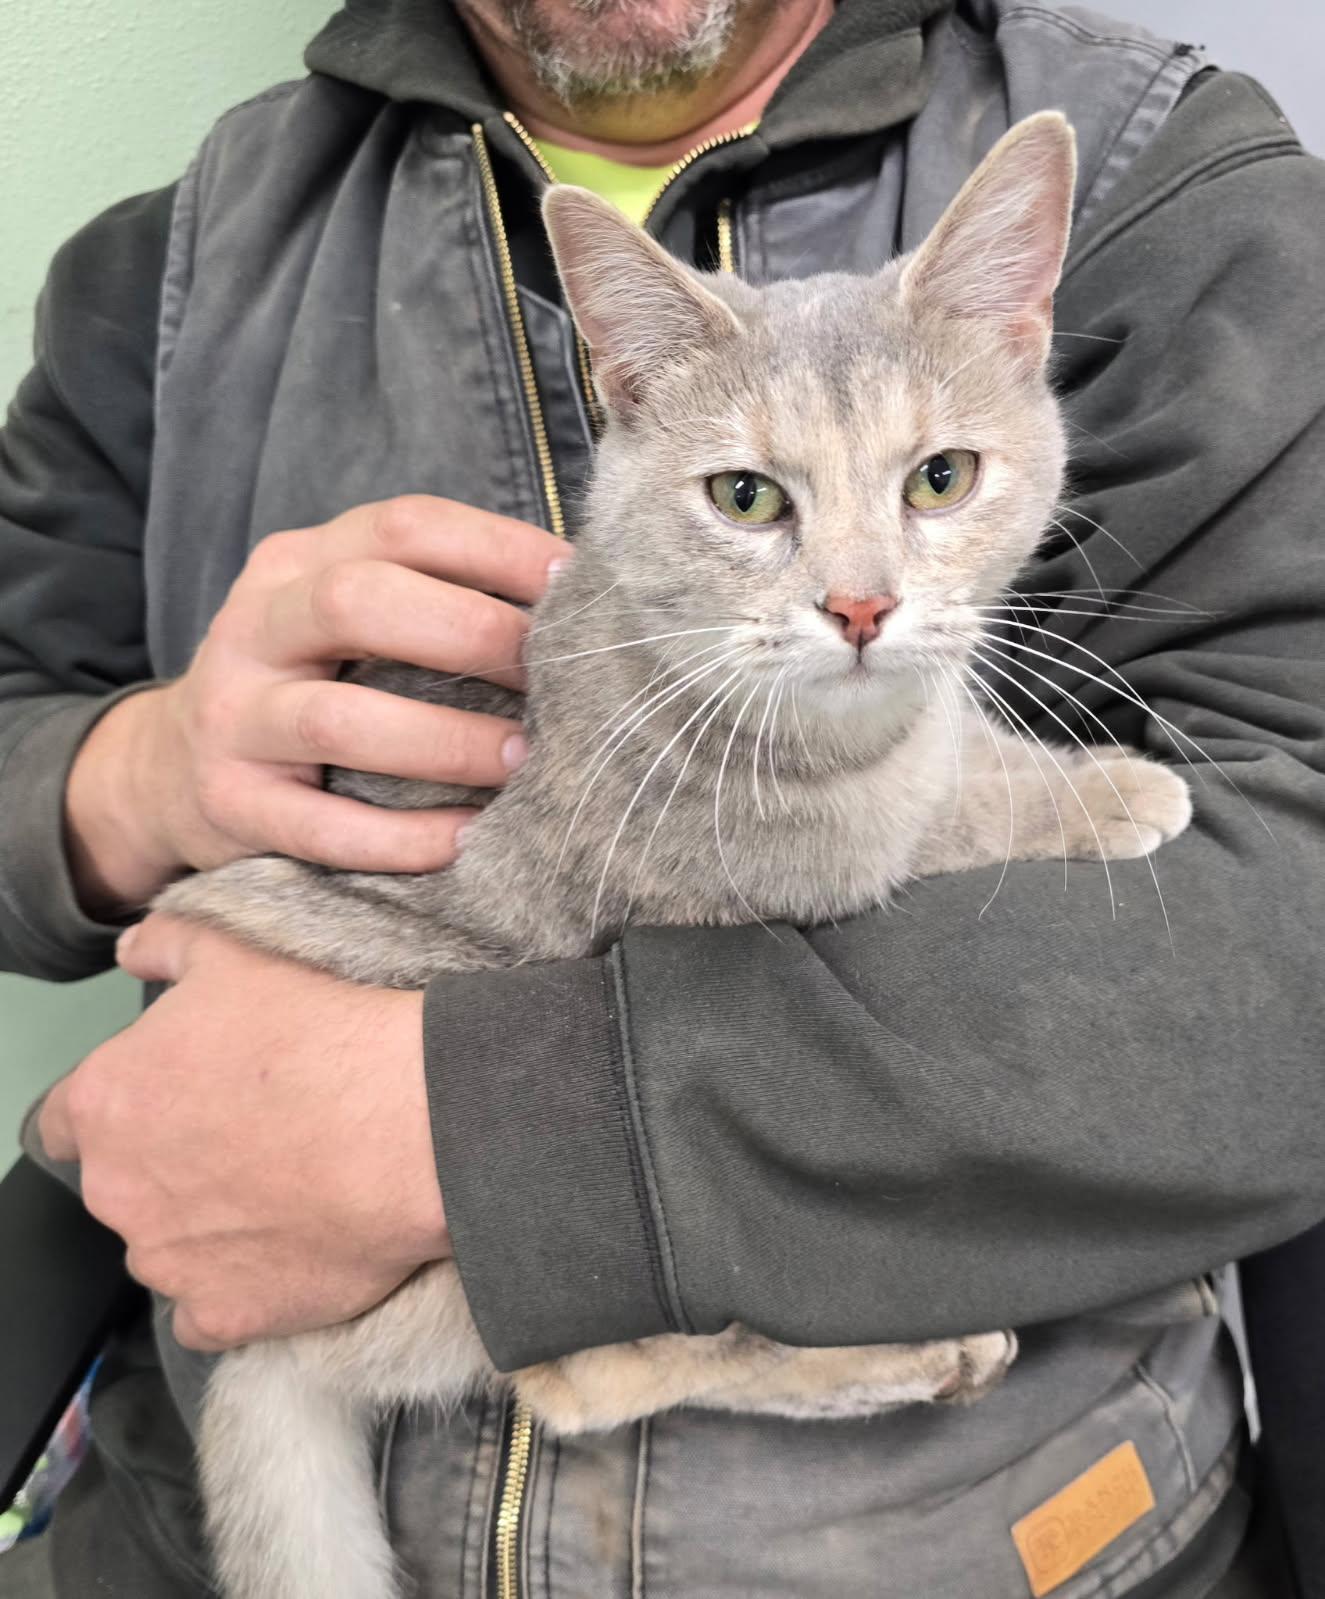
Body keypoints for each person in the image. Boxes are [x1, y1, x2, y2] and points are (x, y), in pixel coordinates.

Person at [2, 0, 1323, 1593]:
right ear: (628, 376)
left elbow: (1289, 927)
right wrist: (119, 774)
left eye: (933, 481)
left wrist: (481, 1133)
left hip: (988, 1545)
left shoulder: (1160, 181)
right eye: (754, 494)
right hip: (188, 1481)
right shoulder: (184, 246)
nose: (857, 595)